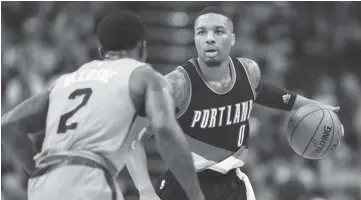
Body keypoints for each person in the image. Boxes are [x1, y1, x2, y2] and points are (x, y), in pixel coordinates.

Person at [126, 6, 343, 200]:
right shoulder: (178, 85)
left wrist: (315, 106)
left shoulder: (248, 72)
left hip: (232, 186)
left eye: (218, 31)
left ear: (232, 39)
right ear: (195, 40)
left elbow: (271, 94)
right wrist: (144, 189)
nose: (209, 38)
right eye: (202, 32)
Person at [1, 11, 204, 200]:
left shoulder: (66, 81)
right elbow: (164, 130)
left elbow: (8, 124)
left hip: (42, 187)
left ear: (102, 51)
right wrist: (195, 194)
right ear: (142, 47)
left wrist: (37, 169)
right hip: (88, 181)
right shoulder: (143, 75)